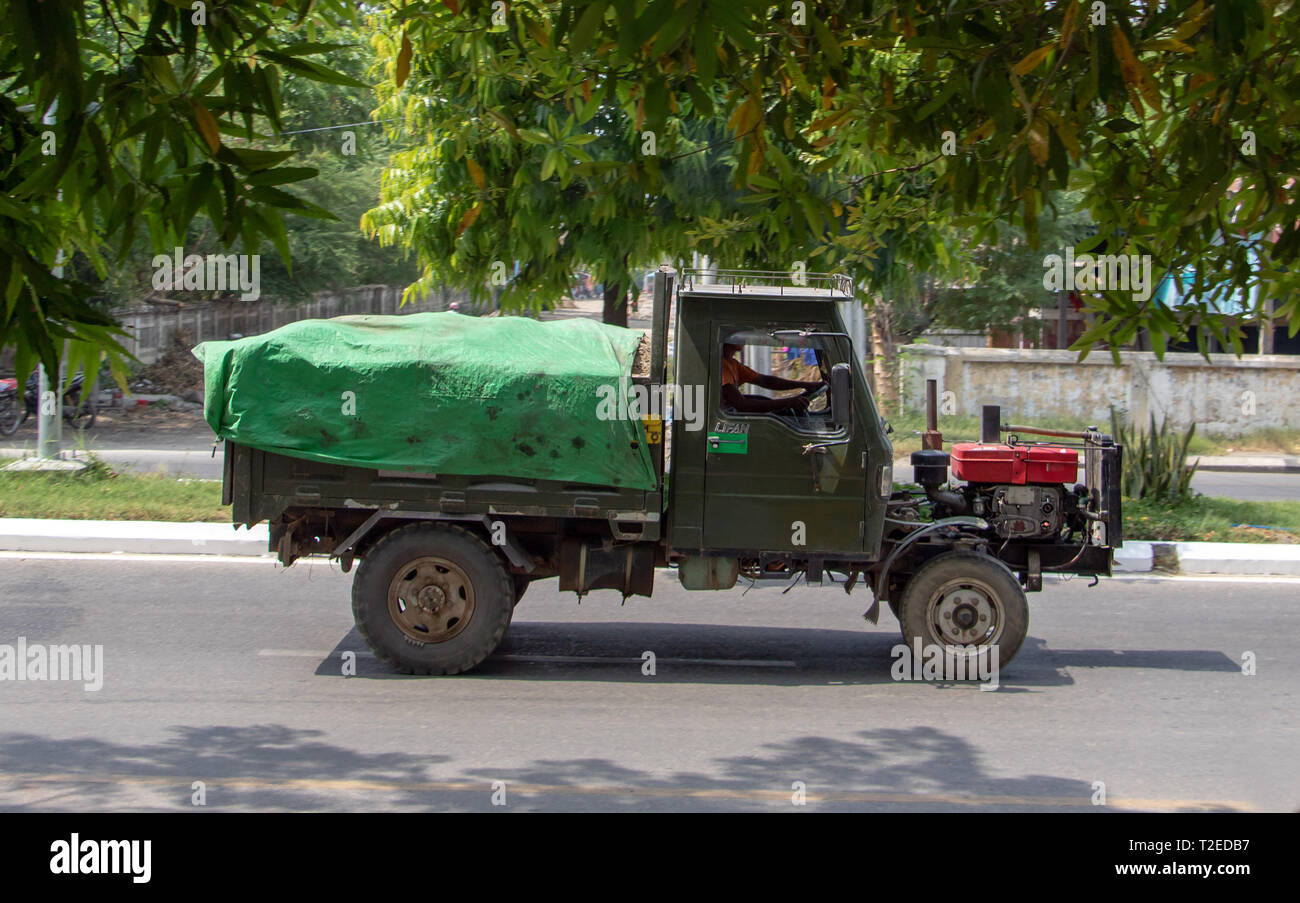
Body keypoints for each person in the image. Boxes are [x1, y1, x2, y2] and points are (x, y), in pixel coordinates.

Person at [721, 342, 825, 414]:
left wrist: (805, 385)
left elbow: (765, 381)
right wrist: (788, 402)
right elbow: (742, 405)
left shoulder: (733, 364)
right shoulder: (721, 366)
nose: (742, 339)